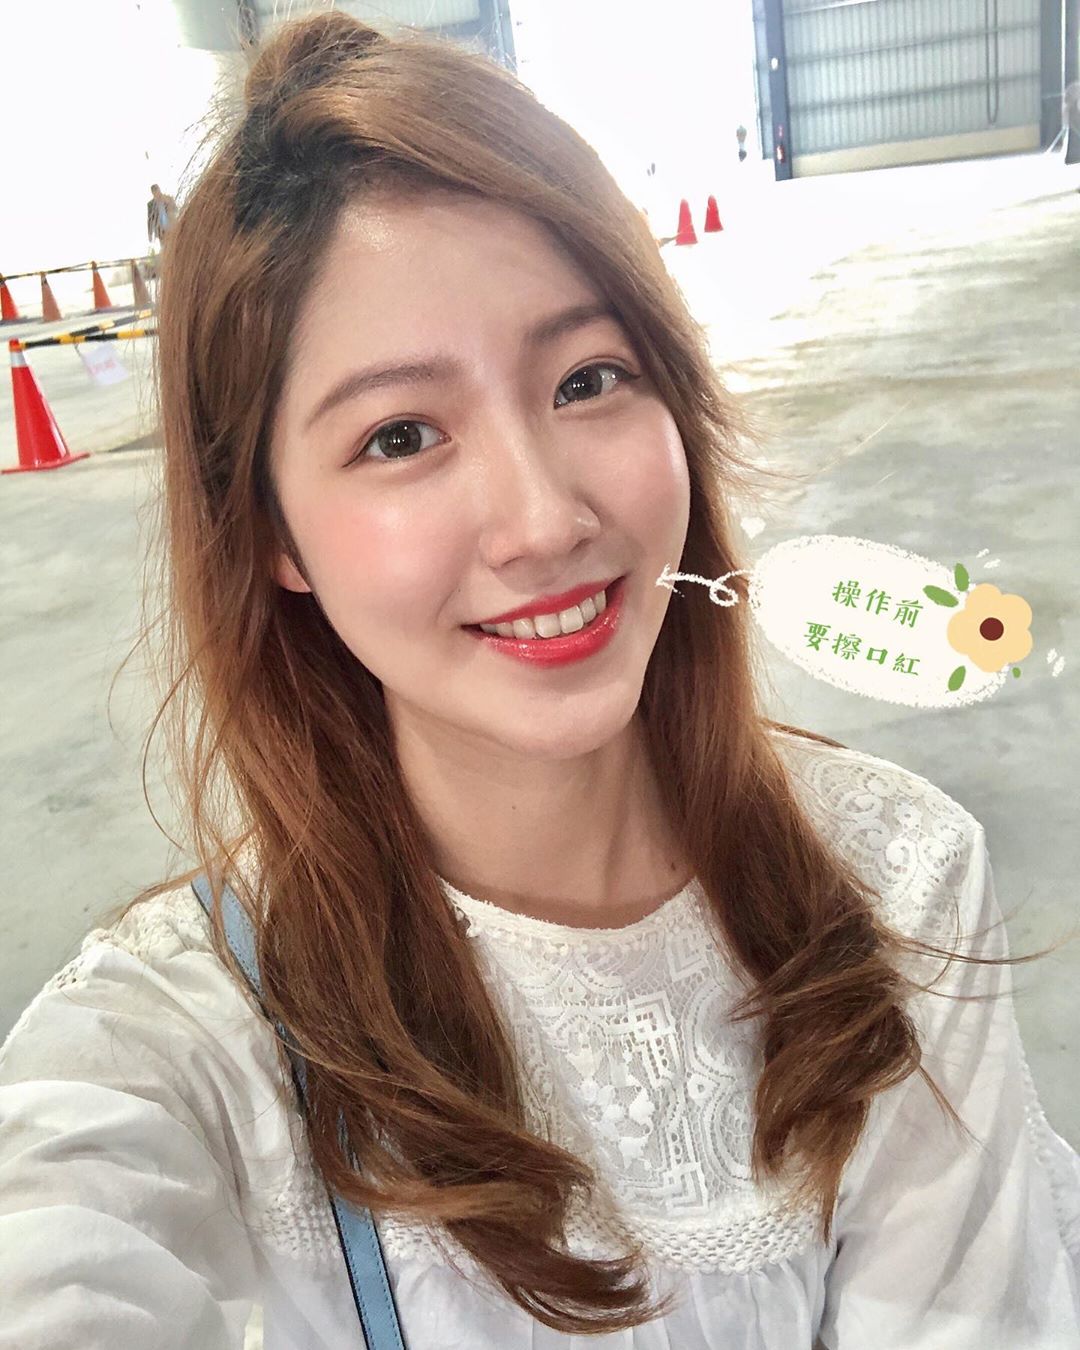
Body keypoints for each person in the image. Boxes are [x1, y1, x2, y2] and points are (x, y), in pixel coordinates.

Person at [1, 13, 1078, 1349]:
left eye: (587, 378)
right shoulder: (189, 1038)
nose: (544, 519)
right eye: (402, 434)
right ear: (270, 530)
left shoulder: (897, 885)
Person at [146, 181, 178, 247]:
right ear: (152, 193)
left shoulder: (168, 198)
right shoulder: (150, 204)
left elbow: (176, 209)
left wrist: (169, 204)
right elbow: (150, 219)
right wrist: (150, 234)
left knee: (176, 243)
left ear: (159, 189)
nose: (156, 192)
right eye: (154, 191)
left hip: (172, 226)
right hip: (161, 231)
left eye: (157, 190)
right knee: (165, 247)